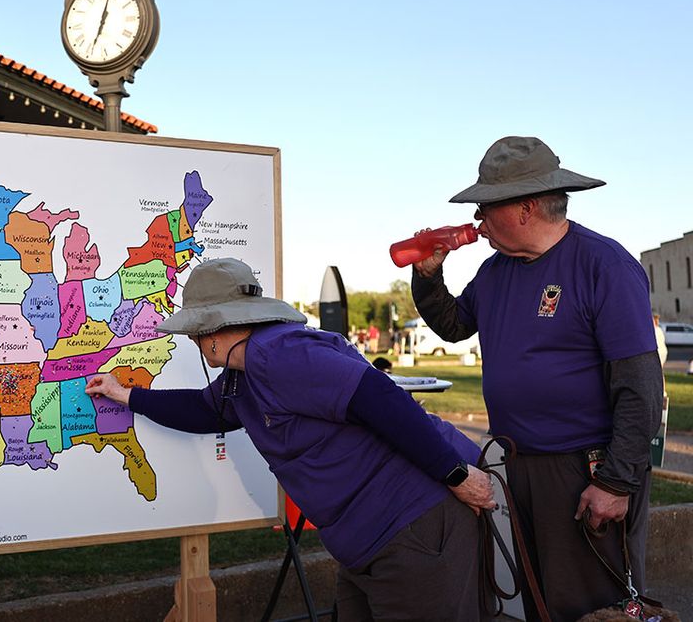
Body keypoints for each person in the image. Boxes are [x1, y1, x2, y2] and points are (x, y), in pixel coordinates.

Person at [85, 258, 495, 621]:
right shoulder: (241, 374)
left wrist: (457, 475)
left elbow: (382, 398)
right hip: (369, 543)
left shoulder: (281, 354)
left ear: (214, 327)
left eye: (194, 329)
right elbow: (205, 411)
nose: (192, 339)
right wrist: (127, 395)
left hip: (412, 527)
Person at [409, 136, 663, 621]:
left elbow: (641, 388)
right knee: (536, 601)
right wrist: (427, 275)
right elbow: (455, 325)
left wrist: (616, 481)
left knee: (592, 606)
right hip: (519, 465)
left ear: (525, 208)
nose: (478, 223)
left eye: (486, 209)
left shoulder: (603, 265)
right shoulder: (496, 270)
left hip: (585, 469)